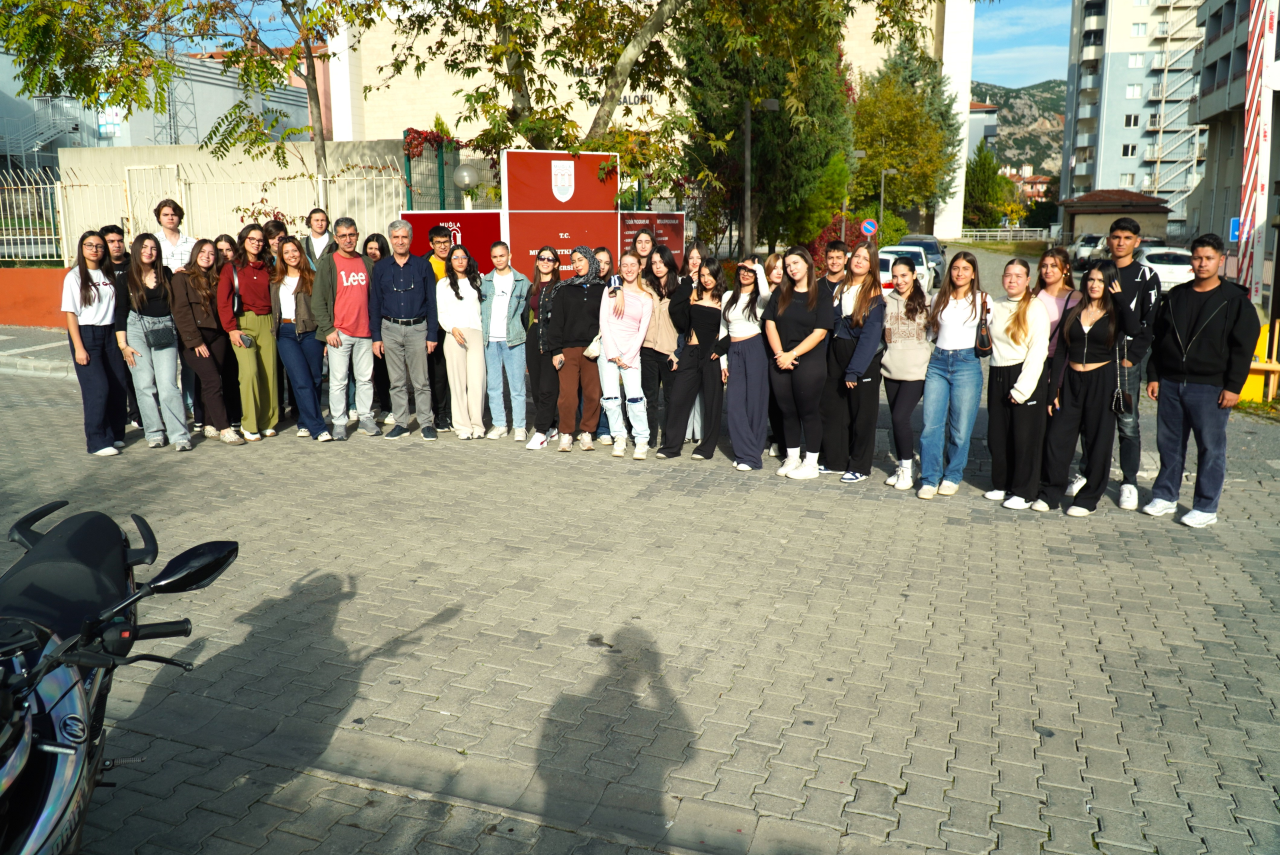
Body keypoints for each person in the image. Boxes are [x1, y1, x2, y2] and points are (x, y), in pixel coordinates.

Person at [1143, 233, 1261, 527]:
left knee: (1210, 447)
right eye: (1197, 258)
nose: (1202, 263)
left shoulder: (1234, 301)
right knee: (1169, 444)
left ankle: (1206, 507)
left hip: (1210, 387)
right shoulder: (1176, 297)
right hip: (1171, 382)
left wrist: (1233, 386)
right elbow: (1159, 341)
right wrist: (1155, 375)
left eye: (1209, 258)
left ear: (1221, 260)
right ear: (1191, 260)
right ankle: (1165, 496)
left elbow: (1243, 348)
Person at [1035, 260, 1140, 516]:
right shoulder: (1074, 310)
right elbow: (1060, 351)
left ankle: (1088, 498)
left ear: (1111, 284)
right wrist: (1053, 391)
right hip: (1071, 380)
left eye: (1102, 281)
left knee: (1098, 441)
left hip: (1101, 381)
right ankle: (1050, 493)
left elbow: (1135, 328)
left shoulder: (1115, 313)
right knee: (1057, 438)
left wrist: (1120, 298)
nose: (1095, 285)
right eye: (1091, 279)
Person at [917, 251, 991, 499]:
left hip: (967, 364)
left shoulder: (982, 299)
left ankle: (952, 475)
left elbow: (993, 332)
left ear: (973, 273)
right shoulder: (939, 296)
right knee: (931, 426)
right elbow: (931, 331)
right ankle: (929, 477)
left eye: (965, 269)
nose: (960, 273)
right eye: (956, 268)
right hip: (938, 362)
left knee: (960, 429)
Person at [1103, 217, 1162, 510]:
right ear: (1108, 240)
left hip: (1125, 358)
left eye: (1127, 237)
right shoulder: (1099, 271)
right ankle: (1090, 471)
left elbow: (1150, 322)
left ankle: (1128, 482)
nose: (1121, 242)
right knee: (1093, 420)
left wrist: (1133, 357)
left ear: (1137, 242)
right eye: (1116, 237)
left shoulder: (1146, 275)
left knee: (1126, 422)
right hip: (1096, 357)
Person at [984, 259, 1051, 509]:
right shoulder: (996, 304)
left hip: (1024, 374)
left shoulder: (1035, 308)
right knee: (998, 436)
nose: (1012, 280)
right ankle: (1002, 484)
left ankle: (1024, 492)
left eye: (1018, 276)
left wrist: (1022, 389)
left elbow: (1038, 350)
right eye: (1008, 275)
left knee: (1024, 438)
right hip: (997, 373)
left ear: (1028, 280)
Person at [115, 233, 191, 451]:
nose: (149, 252)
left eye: (154, 248)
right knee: (144, 384)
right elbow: (120, 312)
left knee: (167, 385)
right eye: (144, 248)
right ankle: (155, 432)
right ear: (137, 250)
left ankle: (179, 435)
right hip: (136, 330)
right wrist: (123, 345)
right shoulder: (125, 278)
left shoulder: (165, 273)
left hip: (164, 328)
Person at [765, 246, 835, 480]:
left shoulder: (822, 294)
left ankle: (811, 463)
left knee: (808, 411)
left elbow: (820, 332)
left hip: (808, 361)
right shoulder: (781, 292)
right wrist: (780, 354)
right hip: (781, 358)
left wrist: (791, 354)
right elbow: (770, 323)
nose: (791, 268)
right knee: (787, 411)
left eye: (795, 263)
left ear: (807, 264)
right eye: (787, 265)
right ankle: (792, 457)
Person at [819, 239, 885, 483]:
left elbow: (870, 336)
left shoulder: (874, 294)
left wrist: (854, 371)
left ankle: (859, 466)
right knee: (835, 410)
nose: (859, 261)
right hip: (836, 353)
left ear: (872, 265)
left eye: (865, 259)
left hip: (862, 358)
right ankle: (836, 461)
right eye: (857, 256)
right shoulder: (841, 288)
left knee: (862, 414)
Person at [369, 220, 439, 441]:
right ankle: (401, 423)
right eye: (396, 237)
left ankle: (426, 422)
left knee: (421, 381)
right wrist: (376, 336)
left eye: (404, 237)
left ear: (410, 239)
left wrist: (432, 334)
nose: (400, 241)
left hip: (417, 328)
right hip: (389, 328)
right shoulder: (380, 267)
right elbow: (375, 303)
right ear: (390, 239)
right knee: (396, 381)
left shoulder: (422, 266)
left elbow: (431, 302)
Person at [171, 239, 244, 445]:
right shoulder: (182, 278)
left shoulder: (217, 277)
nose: (207, 256)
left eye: (212, 253)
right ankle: (225, 428)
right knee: (212, 380)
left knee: (210, 380)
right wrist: (195, 341)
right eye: (202, 252)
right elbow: (182, 312)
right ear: (195, 254)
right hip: (195, 338)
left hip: (218, 335)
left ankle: (209, 424)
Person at [312, 217, 379, 440]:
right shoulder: (329, 262)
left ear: (357, 235)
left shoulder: (367, 263)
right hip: (339, 333)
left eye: (351, 234)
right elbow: (318, 300)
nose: (348, 239)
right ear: (336, 238)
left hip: (365, 332)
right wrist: (329, 329)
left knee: (365, 379)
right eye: (343, 235)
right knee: (338, 381)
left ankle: (366, 418)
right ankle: (339, 421)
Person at [63, 231, 128, 456]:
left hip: (109, 333)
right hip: (86, 334)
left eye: (99, 246)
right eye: (89, 245)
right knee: (97, 389)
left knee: (118, 384)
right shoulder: (74, 276)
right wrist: (79, 347)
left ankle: (116, 434)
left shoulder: (109, 274)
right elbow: (71, 314)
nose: (95, 249)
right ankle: (97, 441)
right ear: (82, 248)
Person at [656, 256, 725, 460]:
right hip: (690, 353)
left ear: (717, 274)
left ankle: (706, 448)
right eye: (702, 275)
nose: (706, 279)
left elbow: (731, 328)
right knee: (678, 399)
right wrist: (687, 283)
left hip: (712, 354)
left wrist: (722, 351)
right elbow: (674, 309)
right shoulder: (694, 294)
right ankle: (671, 447)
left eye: (710, 274)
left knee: (713, 403)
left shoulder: (725, 298)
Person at [218, 223, 279, 441]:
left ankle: (267, 421)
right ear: (244, 240)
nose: (256, 243)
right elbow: (223, 302)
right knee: (250, 372)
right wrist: (231, 329)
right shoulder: (231, 267)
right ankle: (249, 424)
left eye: (260, 240)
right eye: (252, 239)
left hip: (268, 321)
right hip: (243, 323)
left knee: (269, 373)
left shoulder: (269, 265)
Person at [546, 246, 606, 452]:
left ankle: (587, 432)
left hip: (593, 350)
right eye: (573, 261)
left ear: (590, 260)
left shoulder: (603, 289)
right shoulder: (564, 288)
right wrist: (556, 350)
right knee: (568, 395)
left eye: (581, 259)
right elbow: (556, 323)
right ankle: (566, 433)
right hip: (568, 350)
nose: (577, 264)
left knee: (592, 393)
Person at [271, 236, 331, 442]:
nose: (291, 255)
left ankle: (304, 421)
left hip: (311, 332)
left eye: (294, 251)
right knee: (301, 381)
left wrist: (324, 336)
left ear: (300, 252)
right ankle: (318, 427)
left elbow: (323, 308)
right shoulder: (275, 280)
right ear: (281, 256)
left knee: (314, 379)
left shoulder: (313, 277)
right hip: (286, 333)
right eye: (286, 252)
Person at [881, 257, 932, 490]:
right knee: (896, 420)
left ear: (914, 275)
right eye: (895, 276)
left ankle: (907, 470)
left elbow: (935, 333)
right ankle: (902, 466)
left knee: (900, 418)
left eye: (903, 275)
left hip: (916, 371)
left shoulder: (927, 302)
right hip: (891, 370)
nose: (899, 280)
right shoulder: (886, 301)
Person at [598, 251, 654, 458]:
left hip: (631, 352)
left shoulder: (646, 297)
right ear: (619, 268)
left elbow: (642, 330)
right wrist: (612, 352)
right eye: (624, 265)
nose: (629, 269)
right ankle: (618, 436)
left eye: (633, 265)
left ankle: (641, 439)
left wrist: (629, 356)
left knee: (635, 398)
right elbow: (604, 321)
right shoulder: (610, 290)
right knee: (611, 398)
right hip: (609, 350)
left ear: (640, 268)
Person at [717, 259, 772, 470]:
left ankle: (751, 455)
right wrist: (723, 361)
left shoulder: (760, 298)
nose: (746, 274)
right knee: (734, 403)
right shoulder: (727, 296)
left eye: (750, 271)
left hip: (755, 348)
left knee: (755, 403)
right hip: (734, 351)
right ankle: (746, 451)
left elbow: (767, 295)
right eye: (743, 270)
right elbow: (723, 329)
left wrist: (759, 268)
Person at [481, 241, 531, 440]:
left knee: (517, 386)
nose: (499, 259)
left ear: (510, 255)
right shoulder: (485, 281)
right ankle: (500, 424)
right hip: (490, 341)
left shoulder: (521, 281)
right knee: (494, 386)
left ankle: (520, 426)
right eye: (495, 256)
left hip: (514, 340)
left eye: (502, 255)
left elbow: (526, 313)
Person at [437, 245, 487, 439]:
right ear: (450, 261)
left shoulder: (477, 281)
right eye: (455, 257)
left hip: (476, 333)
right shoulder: (443, 284)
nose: (459, 261)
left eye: (463, 257)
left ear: (468, 260)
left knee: (477, 382)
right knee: (457, 383)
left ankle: (477, 424)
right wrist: (452, 328)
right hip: (454, 335)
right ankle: (462, 426)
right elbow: (441, 312)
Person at [101, 224, 142, 429]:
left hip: (131, 325)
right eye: (111, 241)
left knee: (133, 370)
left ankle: (137, 413)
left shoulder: (133, 264)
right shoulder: (99, 267)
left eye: (119, 240)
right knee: (114, 373)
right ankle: (117, 413)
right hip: (106, 326)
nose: (117, 245)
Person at [639, 245, 680, 450]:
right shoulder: (645, 287)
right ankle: (650, 436)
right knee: (650, 397)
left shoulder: (680, 288)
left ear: (669, 263)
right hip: (647, 349)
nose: (657, 266)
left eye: (661, 262)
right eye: (653, 263)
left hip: (670, 351)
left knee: (671, 397)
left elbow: (687, 324)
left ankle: (669, 438)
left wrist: (678, 351)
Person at [525, 246, 562, 449]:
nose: (545, 261)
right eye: (542, 258)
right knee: (538, 389)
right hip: (534, 335)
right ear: (537, 261)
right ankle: (552, 426)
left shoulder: (560, 287)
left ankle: (540, 432)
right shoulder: (533, 287)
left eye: (550, 258)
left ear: (556, 263)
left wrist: (557, 347)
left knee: (549, 388)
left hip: (551, 338)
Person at [679, 240, 710, 444]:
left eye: (699, 258)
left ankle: (698, 431)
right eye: (691, 258)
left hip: (705, 341)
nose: (695, 261)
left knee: (701, 391)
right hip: (685, 340)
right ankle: (684, 430)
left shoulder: (710, 282)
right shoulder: (681, 281)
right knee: (685, 389)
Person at [362, 233, 394, 421]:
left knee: (386, 368)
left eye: (376, 248)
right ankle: (381, 406)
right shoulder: (361, 268)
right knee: (372, 369)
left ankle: (390, 406)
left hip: (386, 323)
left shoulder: (389, 268)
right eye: (369, 248)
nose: (373, 252)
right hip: (364, 324)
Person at [426, 225, 454, 430]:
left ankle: (455, 414)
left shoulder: (460, 261)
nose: (443, 246)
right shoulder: (424, 264)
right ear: (431, 244)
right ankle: (440, 414)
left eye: (446, 242)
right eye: (438, 243)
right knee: (439, 374)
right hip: (436, 328)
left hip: (456, 327)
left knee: (456, 373)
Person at [763, 253, 787, 458]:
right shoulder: (761, 291)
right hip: (761, 349)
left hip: (780, 350)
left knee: (781, 399)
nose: (778, 271)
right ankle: (775, 436)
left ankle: (783, 440)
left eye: (782, 267)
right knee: (768, 399)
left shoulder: (787, 292)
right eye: (774, 267)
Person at [592, 246, 617, 443]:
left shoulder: (614, 284)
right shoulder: (584, 283)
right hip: (587, 343)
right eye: (599, 261)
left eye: (607, 262)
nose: (602, 266)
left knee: (607, 388)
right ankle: (588, 427)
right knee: (589, 389)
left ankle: (604, 428)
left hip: (607, 342)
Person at [154, 199, 197, 273]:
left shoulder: (192, 243)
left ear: (179, 217)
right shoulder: (153, 241)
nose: (170, 218)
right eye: (165, 215)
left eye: (174, 214)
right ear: (159, 218)